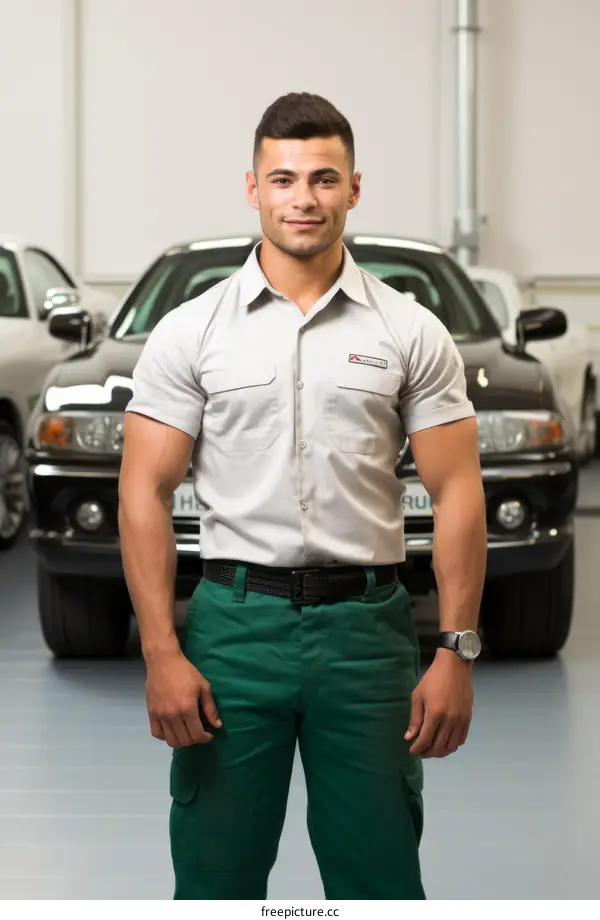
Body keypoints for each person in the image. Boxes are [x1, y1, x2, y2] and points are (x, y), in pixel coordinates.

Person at [118, 91, 487, 901]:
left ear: (354, 188)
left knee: (380, 877)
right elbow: (143, 490)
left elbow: (458, 490)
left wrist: (456, 650)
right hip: (233, 630)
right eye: (283, 179)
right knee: (216, 878)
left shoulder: (409, 330)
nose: (304, 198)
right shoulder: (194, 330)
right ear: (252, 189)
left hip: (366, 634)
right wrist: (159, 652)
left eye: (324, 178)